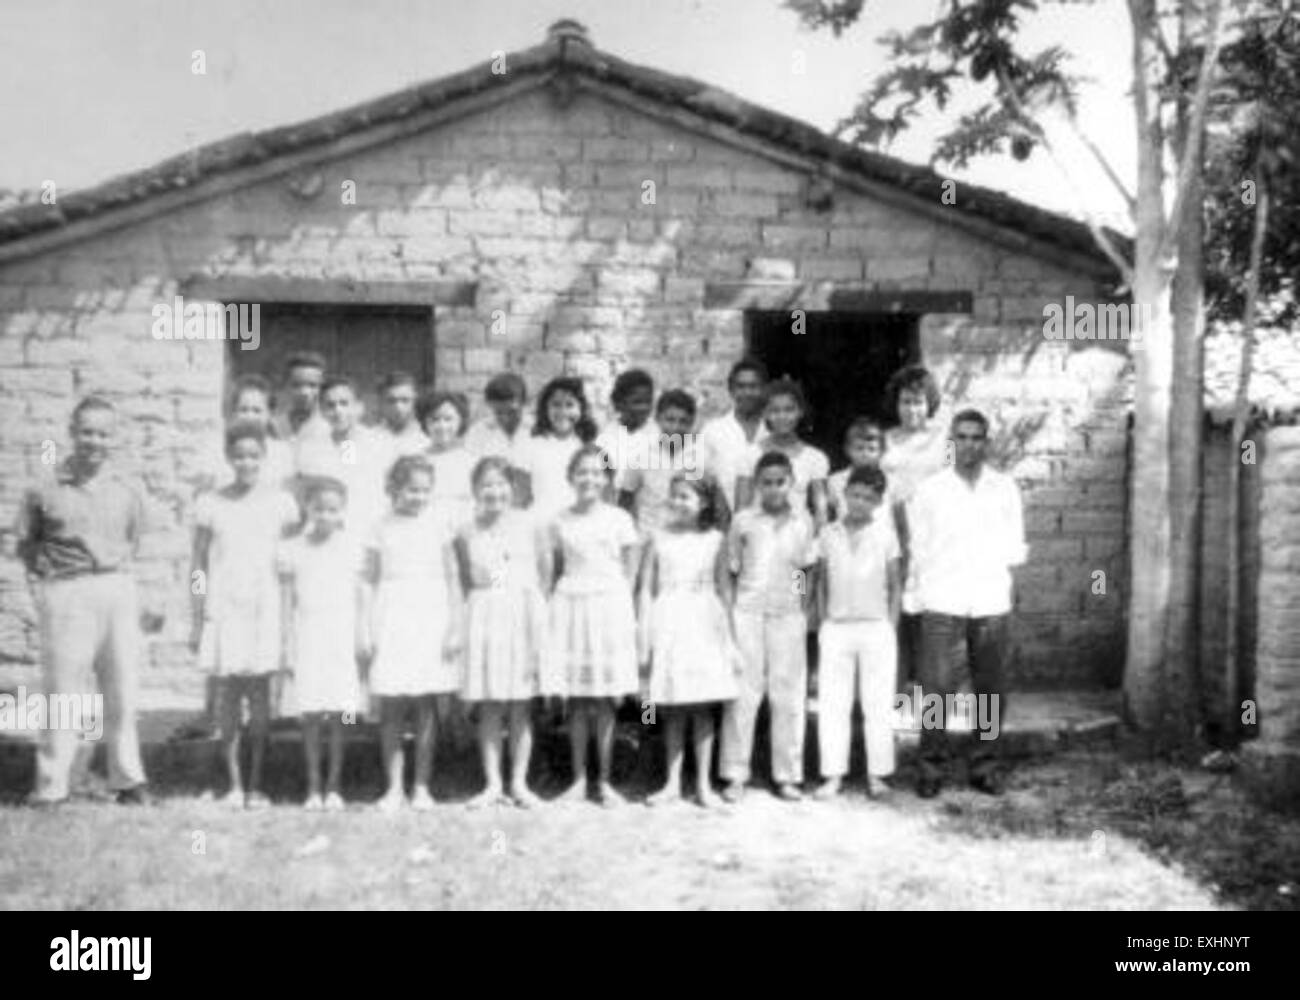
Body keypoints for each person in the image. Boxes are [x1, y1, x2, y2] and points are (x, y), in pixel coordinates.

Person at [15, 395, 155, 806]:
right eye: (87, 432)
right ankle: (51, 786)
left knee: (123, 689)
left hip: (115, 588)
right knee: (62, 692)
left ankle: (128, 780)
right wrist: (41, 594)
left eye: (103, 433)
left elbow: (137, 541)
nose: (94, 441)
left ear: (115, 438)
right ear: (72, 434)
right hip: (66, 590)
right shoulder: (45, 488)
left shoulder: (129, 489)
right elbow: (26, 546)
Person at [907, 409, 1026, 798]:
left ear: (986, 442)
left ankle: (985, 764)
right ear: (951, 442)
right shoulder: (931, 490)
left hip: (990, 601)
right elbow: (918, 549)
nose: (970, 444)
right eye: (963, 436)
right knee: (937, 690)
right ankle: (931, 767)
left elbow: (1014, 548)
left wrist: (1003, 595)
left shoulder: (1004, 488)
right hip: (943, 601)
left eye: (978, 437)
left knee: (990, 691)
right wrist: (919, 599)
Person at [189, 421, 300, 808]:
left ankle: (257, 784)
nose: (246, 462)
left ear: (264, 457)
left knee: (261, 701)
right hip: (225, 606)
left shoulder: (282, 503)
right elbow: (199, 565)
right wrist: (197, 613)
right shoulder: (210, 504)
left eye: (254, 455)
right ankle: (233, 786)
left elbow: (290, 565)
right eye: (239, 455)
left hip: (264, 606)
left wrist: (288, 621)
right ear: (228, 457)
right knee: (229, 702)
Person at [359, 455, 463, 813]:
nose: (418, 497)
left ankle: (421, 786)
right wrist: (366, 627)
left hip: (431, 614)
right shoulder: (379, 526)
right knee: (391, 704)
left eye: (424, 491)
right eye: (410, 490)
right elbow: (368, 580)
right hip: (392, 614)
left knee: (425, 705)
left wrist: (454, 626)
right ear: (393, 489)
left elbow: (452, 578)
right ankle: (393, 787)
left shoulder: (440, 523)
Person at [454, 456, 553, 809]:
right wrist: (496, 591)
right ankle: (493, 784)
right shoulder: (466, 530)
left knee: (520, 705)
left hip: (523, 613)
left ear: (513, 488)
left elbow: (544, 570)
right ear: (475, 492)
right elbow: (468, 578)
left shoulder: (532, 524)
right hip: (486, 614)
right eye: (485, 485)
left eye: (499, 484)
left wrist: (527, 601)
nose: (493, 491)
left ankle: (520, 783)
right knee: (492, 703)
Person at [720, 451, 817, 803]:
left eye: (780, 482)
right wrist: (731, 611)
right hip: (747, 611)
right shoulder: (744, 520)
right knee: (744, 693)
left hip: (787, 614)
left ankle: (787, 774)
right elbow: (730, 568)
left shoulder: (802, 521)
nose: (774, 489)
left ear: (791, 484)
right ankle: (735, 774)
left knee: (788, 694)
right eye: (766, 482)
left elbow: (804, 570)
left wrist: (800, 606)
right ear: (757, 484)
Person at [638, 474, 740, 808]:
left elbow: (725, 588)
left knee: (702, 704)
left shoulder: (715, 539)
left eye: (687, 497)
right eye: (675, 495)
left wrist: (731, 638)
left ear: (704, 504)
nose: (679, 502)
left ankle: (703, 785)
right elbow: (646, 588)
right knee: (673, 705)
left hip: (704, 622)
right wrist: (644, 632)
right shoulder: (657, 537)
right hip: (669, 619)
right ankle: (671, 783)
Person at [548, 445, 640, 807]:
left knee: (604, 697)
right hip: (570, 604)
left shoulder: (619, 519)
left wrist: (624, 611)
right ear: (571, 477)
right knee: (576, 698)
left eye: (596, 473)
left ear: (606, 479)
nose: (589, 479)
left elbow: (630, 572)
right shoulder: (558, 520)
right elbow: (554, 567)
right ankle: (576, 780)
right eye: (582, 472)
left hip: (608, 606)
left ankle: (604, 781)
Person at [813, 465, 900, 800]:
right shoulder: (827, 533)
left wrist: (889, 626)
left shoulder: (885, 535)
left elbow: (895, 584)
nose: (860, 502)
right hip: (836, 628)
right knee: (834, 703)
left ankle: (877, 774)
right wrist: (822, 621)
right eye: (855, 494)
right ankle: (833, 774)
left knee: (877, 704)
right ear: (844, 494)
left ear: (878, 502)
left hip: (875, 627)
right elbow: (815, 580)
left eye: (868, 497)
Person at [278, 476, 365, 811]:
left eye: (333, 509)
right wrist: (286, 643)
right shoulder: (293, 549)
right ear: (307, 508)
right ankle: (313, 785)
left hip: (341, 634)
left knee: (340, 714)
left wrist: (361, 634)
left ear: (342, 511)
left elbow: (360, 595)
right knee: (312, 714)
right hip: (308, 634)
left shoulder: (351, 546)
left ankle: (335, 785)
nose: (325, 515)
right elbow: (287, 600)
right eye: (318, 508)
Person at [880, 365, 948, 709]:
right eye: (906, 402)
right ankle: (896, 689)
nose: (912, 410)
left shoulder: (943, 440)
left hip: (932, 534)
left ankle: (930, 693)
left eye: (919, 402)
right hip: (893, 530)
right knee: (896, 606)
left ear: (930, 403)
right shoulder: (886, 439)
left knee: (930, 609)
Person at [296, 376, 390, 539]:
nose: (338, 411)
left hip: (368, 532)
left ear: (359, 407)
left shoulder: (379, 444)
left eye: (344, 404)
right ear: (321, 411)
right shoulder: (311, 449)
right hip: (325, 534)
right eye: (330, 405)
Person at [619, 389, 708, 535]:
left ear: (692, 422)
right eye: (670, 420)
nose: (675, 427)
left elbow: (709, 502)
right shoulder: (640, 456)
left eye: (683, 421)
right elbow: (625, 501)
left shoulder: (701, 458)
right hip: (648, 539)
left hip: (686, 540)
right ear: (658, 418)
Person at [751, 377, 830, 529]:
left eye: (789, 410)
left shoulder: (814, 458)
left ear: (800, 411)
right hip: (760, 539)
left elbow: (821, 509)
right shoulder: (751, 455)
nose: (782, 416)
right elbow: (741, 509)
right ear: (765, 414)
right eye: (775, 410)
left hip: (799, 539)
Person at [519, 376, 598, 520]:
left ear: (581, 409)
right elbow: (521, 497)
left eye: (570, 405)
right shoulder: (530, 446)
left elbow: (606, 488)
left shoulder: (594, 447)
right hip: (541, 523)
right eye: (556, 405)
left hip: (581, 525)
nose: (562, 412)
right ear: (545, 409)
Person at [698, 358, 766, 514]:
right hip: (725, 522)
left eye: (753, 386)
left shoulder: (773, 430)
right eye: (741, 387)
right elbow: (693, 471)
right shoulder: (713, 431)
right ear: (731, 390)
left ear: (763, 389)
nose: (747, 392)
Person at [418, 389, 475, 532]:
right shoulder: (417, 461)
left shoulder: (472, 461)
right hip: (425, 533)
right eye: (435, 419)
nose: (442, 426)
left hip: (463, 532)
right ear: (424, 422)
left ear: (461, 421)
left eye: (448, 419)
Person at [594, 369, 658, 494]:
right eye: (637, 402)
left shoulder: (659, 435)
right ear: (619, 404)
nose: (644, 408)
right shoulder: (606, 439)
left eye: (648, 401)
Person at [464, 372, 533, 476]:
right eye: (498, 412)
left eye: (512, 412)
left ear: (525, 403)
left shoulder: (540, 430)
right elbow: (471, 471)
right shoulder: (478, 432)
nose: (505, 419)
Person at [274, 351, 331, 473]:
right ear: (285, 386)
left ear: (322, 388)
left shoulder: (334, 427)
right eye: (296, 385)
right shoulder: (273, 427)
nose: (304, 392)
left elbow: (350, 469)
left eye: (312, 385)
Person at [826, 417, 890, 522]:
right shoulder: (835, 481)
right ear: (847, 449)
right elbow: (830, 517)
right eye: (859, 448)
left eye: (872, 449)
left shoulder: (892, 481)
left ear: (882, 451)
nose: (865, 454)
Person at [374, 371, 430, 459]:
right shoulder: (368, 439)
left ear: (415, 400)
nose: (398, 407)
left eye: (405, 400)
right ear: (380, 402)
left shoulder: (429, 439)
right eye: (391, 401)